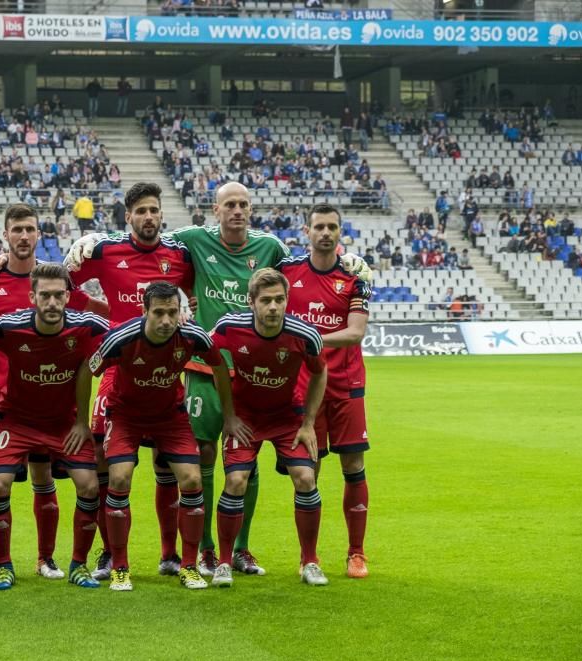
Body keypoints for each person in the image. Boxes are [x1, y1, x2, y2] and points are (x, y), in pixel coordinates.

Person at [65, 182, 371, 577]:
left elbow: (303, 267)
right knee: (159, 460)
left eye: (244, 204)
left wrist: (348, 262)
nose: (237, 210)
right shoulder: (187, 242)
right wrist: (97, 261)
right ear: (215, 209)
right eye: (230, 204)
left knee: (233, 462)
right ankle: (178, 551)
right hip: (183, 369)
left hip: (247, 372)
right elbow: (85, 271)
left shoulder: (266, 249)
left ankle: (234, 549)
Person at [0, 204, 108, 583]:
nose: (24, 236)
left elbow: (91, 315)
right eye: (17, 230)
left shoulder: (56, 282)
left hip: (48, 401)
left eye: (30, 229)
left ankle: (47, 559)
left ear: (38, 235)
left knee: (44, 477)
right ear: (6, 235)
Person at [61, 182, 194, 579]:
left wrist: (190, 316)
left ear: (161, 213)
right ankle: (109, 553)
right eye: (141, 211)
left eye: (154, 210)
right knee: (107, 463)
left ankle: (169, 554)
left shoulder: (179, 255)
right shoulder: (103, 250)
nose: (149, 217)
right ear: (128, 216)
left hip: (165, 368)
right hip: (117, 366)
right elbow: (62, 284)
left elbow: (196, 292)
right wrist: (102, 310)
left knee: (166, 463)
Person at [82, 282, 235, 591]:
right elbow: (88, 370)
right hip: (126, 416)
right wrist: (80, 423)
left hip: (170, 417)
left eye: (172, 313)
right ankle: (120, 567)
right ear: (145, 311)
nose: (166, 321)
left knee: (192, 480)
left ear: (181, 312)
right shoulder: (121, 338)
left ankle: (188, 566)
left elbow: (220, 367)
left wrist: (230, 416)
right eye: (159, 313)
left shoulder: (193, 336)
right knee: (120, 479)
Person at [210, 268, 330, 586]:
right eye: (266, 300)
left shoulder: (305, 335)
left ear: (287, 300)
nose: (273, 307)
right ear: (251, 302)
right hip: (245, 418)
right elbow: (214, 362)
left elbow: (320, 374)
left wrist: (308, 423)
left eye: (279, 300)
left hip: (286, 418)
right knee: (236, 480)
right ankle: (223, 562)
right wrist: (229, 416)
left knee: (306, 478)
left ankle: (310, 562)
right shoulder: (228, 327)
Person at [278, 204, 372, 579]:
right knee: (307, 472)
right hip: (303, 390)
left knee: (354, 466)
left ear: (340, 231)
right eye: (319, 226)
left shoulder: (355, 278)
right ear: (306, 230)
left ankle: (357, 553)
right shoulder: (288, 274)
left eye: (332, 227)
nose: (326, 233)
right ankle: (309, 557)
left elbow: (356, 332)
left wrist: (307, 336)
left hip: (347, 386)